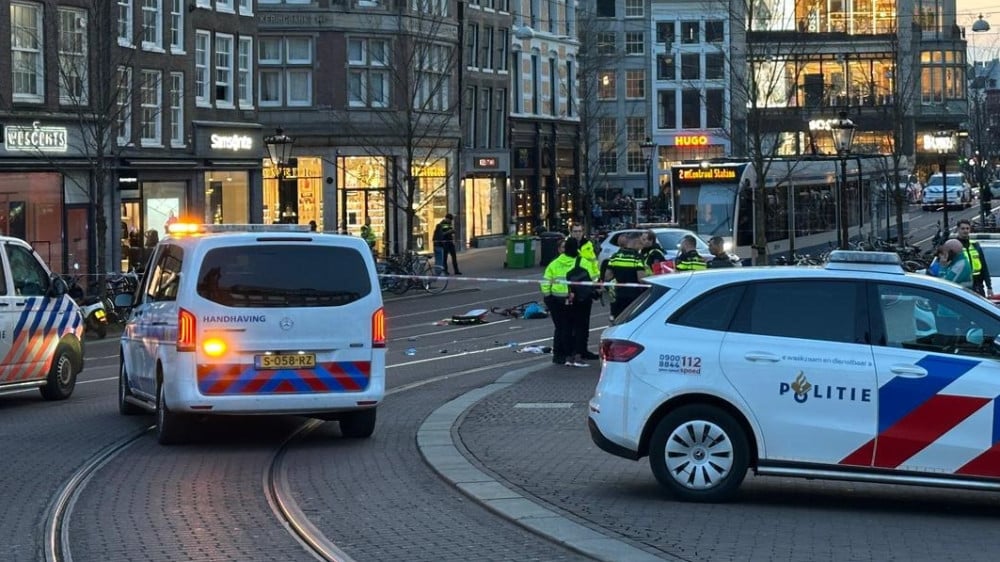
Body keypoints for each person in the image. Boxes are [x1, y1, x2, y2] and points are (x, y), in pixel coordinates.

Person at [541, 237, 589, 367]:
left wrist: (548, 296)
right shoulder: (581, 262)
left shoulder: (554, 263)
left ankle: (559, 355)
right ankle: (571, 354)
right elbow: (592, 278)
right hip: (574, 300)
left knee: (561, 328)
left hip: (556, 299)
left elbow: (546, 281)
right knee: (573, 328)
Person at [569, 222, 600, 360]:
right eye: (575, 231)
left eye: (579, 231)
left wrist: (595, 284)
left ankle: (582, 349)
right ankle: (572, 348)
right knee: (571, 322)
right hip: (571, 290)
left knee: (584, 322)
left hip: (586, 289)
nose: (577, 234)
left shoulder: (588, 246)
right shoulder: (568, 245)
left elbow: (594, 265)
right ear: (571, 232)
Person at [604, 232, 648, 320]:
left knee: (618, 321)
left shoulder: (615, 256)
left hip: (618, 295)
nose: (643, 245)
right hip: (634, 297)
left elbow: (607, 276)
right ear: (636, 241)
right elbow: (641, 279)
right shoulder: (637, 258)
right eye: (641, 242)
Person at [955, 219, 992, 296]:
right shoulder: (953, 246)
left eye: (967, 228)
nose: (965, 231)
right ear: (958, 229)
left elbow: (984, 267)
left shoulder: (975, 245)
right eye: (963, 228)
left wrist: (989, 287)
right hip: (961, 284)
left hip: (977, 285)